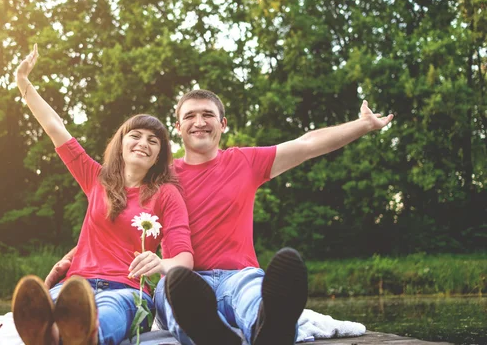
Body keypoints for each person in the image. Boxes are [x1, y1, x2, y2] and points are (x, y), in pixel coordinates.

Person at [45, 89, 394, 345]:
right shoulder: (159, 177)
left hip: (236, 272)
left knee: (251, 295)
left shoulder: (246, 162)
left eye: (208, 115)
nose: (199, 122)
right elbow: (121, 215)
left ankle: (268, 330)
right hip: (183, 280)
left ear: (222, 124)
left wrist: (362, 126)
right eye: (190, 116)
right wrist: (79, 256)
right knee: (173, 294)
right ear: (178, 128)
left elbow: (307, 143)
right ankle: (209, 336)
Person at [11, 44, 194, 345]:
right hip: (76, 287)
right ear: (121, 144)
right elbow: (55, 127)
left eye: (153, 141)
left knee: (107, 312)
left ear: (160, 155)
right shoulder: (96, 178)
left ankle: (82, 336)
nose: (143, 143)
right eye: (135, 135)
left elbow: (184, 259)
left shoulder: (167, 195)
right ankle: (49, 333)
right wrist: (23, 83)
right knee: (56, 306)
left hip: (126, 291)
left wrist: (161, 264)